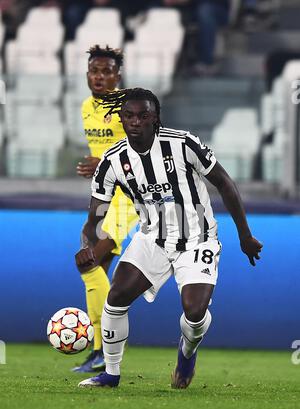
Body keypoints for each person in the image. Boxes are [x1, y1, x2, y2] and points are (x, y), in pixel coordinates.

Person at [76, 87, 263, 389]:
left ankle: (186, 354)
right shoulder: (112, 161)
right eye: (129, 116)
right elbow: (96, 215)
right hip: (152, 239)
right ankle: (111, 373)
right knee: (116, 297)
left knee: (194, 311)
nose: (135, 121)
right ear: (121, 119)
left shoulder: (184, 144)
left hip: (198, 239)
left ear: (156, 117)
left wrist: (245, 236)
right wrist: (88, 246)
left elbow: (225, 184)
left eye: (143, 115)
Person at [72, 46, 138, 373]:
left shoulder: (129, 106)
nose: (99, 77)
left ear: (118, 75)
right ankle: (101, 349)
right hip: (105, 197)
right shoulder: (87, 107)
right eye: (94, 71)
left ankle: (103, 349)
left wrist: (103, 162)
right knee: (92, 267)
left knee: (91, 260)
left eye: (106, 71)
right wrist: (97, 169)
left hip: (130, 196)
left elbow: (143, 151)